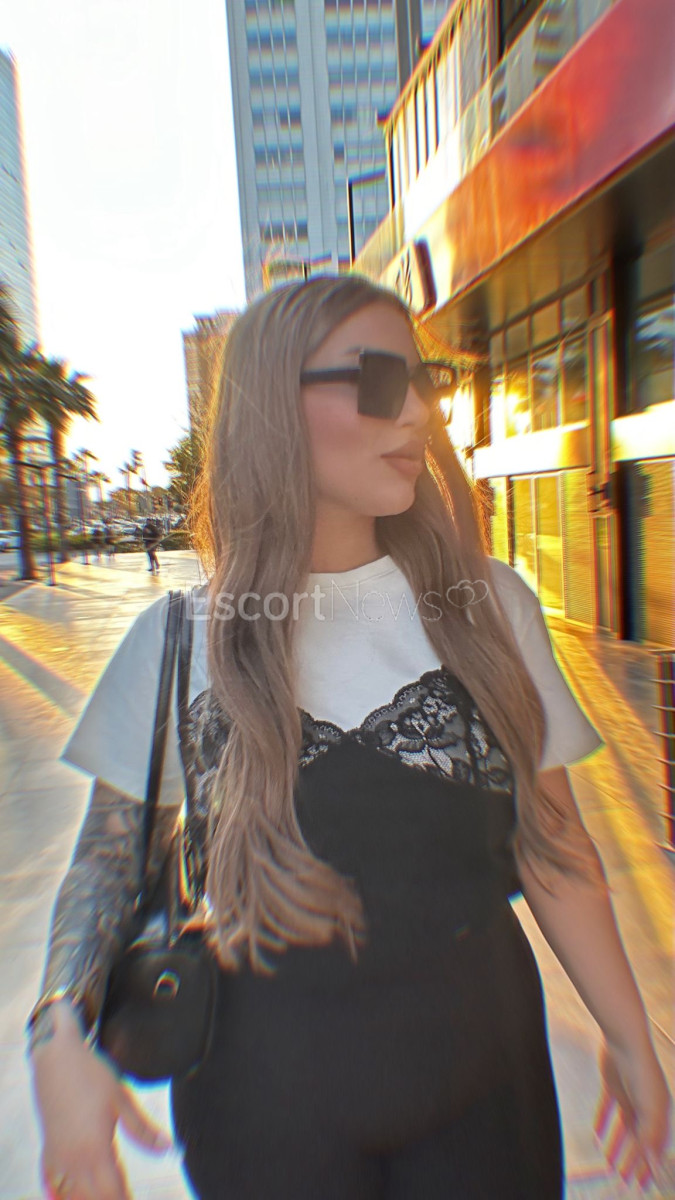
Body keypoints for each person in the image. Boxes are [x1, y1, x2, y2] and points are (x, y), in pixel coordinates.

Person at [27, 275, 671, 1200]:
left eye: (423, 381)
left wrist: (628, 1035)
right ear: (271, 404)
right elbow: (105, 864)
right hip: (262, 1108)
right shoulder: (178, 642)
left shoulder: (487, 607)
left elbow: (554, 848)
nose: (414, 411)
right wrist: (58, 1034)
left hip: (487, 1088)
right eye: (376, 380)